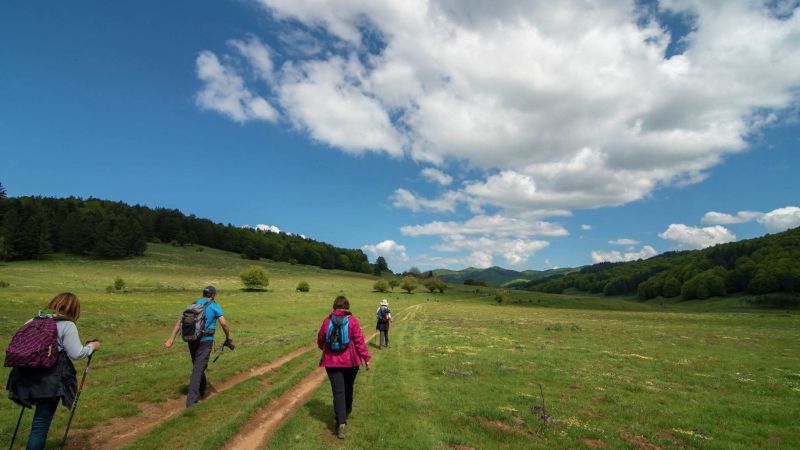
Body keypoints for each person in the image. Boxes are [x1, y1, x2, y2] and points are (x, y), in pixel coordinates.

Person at [6, 293, 100, 450]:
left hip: (25, 376)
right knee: (40, 425)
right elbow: (77, 354)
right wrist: (92, 346)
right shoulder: (67, 325)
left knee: (37, 425)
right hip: (50, 380)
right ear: (75, 309)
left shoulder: (32, 321)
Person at [164, 285, 232, 407]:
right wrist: (228, 336)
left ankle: (202, 388)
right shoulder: (214, 305)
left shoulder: (193, 305)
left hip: (192, 339)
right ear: (213, 295)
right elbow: (224, 323)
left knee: (198, 365)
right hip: (206, 341)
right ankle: (192, 400)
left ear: (203, 294)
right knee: (198, 368)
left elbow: (179, 322)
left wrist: (171, 339)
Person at [317, 295, 370, 439]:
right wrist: (366, 358)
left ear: (334, 307)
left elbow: (321, 340)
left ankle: (340, 422)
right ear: (347, 307)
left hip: (331, 362)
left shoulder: (327, 321)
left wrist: (328, 350)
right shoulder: (352, 321)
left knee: (338, 392)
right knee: (348, 388)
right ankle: (345, 413)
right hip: (351, 362)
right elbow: (359, 341)